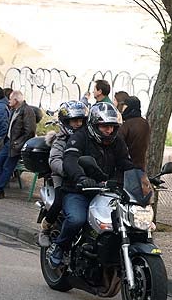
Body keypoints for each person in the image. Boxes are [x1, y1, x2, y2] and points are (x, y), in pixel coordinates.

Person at [47, 102, 136, 267]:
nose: (109, 130)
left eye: (112, 126)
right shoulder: (80, 138)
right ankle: (59, 246)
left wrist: (142, 178)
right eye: (104, 127)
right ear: (95, 125)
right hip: (77, 189)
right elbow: (70, 160)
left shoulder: (117, 141)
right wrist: (80, 177)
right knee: (76, 219)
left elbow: (125, 162)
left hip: (106, 190)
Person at [39, 100, 88, 245]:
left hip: (83, 176)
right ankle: (45, 228)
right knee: (60, 200)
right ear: (65, 122)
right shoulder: (60, 140)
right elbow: (54, 160)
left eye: (80, 121)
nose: (78, 124)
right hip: (63, 177)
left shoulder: (87, 139)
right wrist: (68, 170)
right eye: (74, 121)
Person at [0, 90, 37, 199]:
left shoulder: (27, 111)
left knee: (8, 167)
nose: (8, 101)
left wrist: (18, 143)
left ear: (16, 100)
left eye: (10, 99)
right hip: (9, 142)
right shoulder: (14, 110)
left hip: (17, 145)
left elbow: (30, 131)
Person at [117, 95, 150, 169]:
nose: (122, 109)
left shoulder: (127, 124)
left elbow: (118, 143)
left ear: (129, 107)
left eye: (124, 106)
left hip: (128, 167)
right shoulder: (145, 123)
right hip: (141, 166)